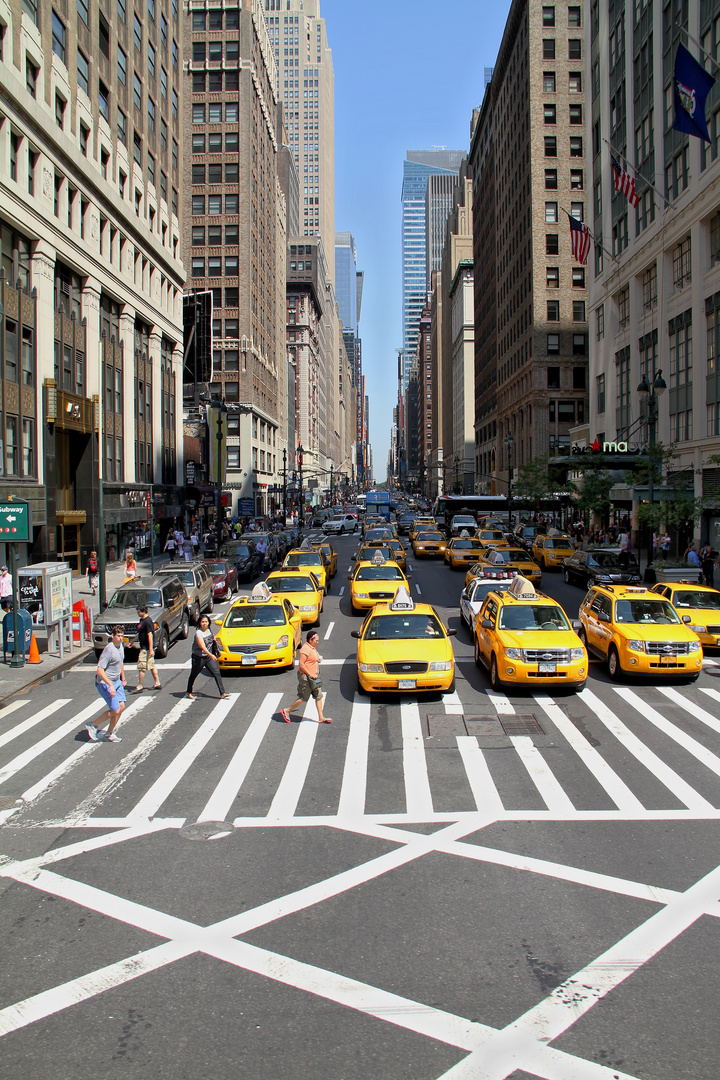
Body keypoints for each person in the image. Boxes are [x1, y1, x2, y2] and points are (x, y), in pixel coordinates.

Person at [279, 629, 332, 724]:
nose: (317, 642)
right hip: (306, 678)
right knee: (303, 698)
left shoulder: (312, 648)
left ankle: (321, 717)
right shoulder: (305, 649)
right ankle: (287, 710)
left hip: (314, 677)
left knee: (318, 695)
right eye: (316, 640)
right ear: (310, 640)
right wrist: (310, 674)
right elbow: (301, 665)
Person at [87, 626, 127, 742]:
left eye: (121, 636)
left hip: (117, 681)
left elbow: (121, 662)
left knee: (121, 707)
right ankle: (93, 725)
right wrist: (110, 685)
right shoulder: (109, 650)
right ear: (112, 636)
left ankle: (109, 733)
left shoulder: (120, 647)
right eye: (118, 636)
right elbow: (99, 670)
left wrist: (123, 678)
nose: (120, 638)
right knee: (115, 710)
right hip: (105, 683)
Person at [186, 614, 230, 700]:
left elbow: (212, 640)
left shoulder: (209, 630)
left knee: (216, 672)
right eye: (202, 622)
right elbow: (202, 646)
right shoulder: (199, 633)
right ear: (199, 623)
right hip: (199, 658)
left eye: (206, 622)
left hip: (209, 658)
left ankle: (222, 693)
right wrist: (211, 655)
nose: (204, 623)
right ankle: (188, 692)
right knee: (194, 675)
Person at [133, 605, 162, 692]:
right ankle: (157, 683)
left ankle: (140, 685)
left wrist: (151, 649)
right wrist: (132, 641)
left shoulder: (147, 621)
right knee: (152, 665)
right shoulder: (142, 620)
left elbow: (150, 635)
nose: (138, 613)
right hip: (145, 647)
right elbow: (140, 633)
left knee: (142, 666)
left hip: (146, 648)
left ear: (144, 611)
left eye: (139, 611)